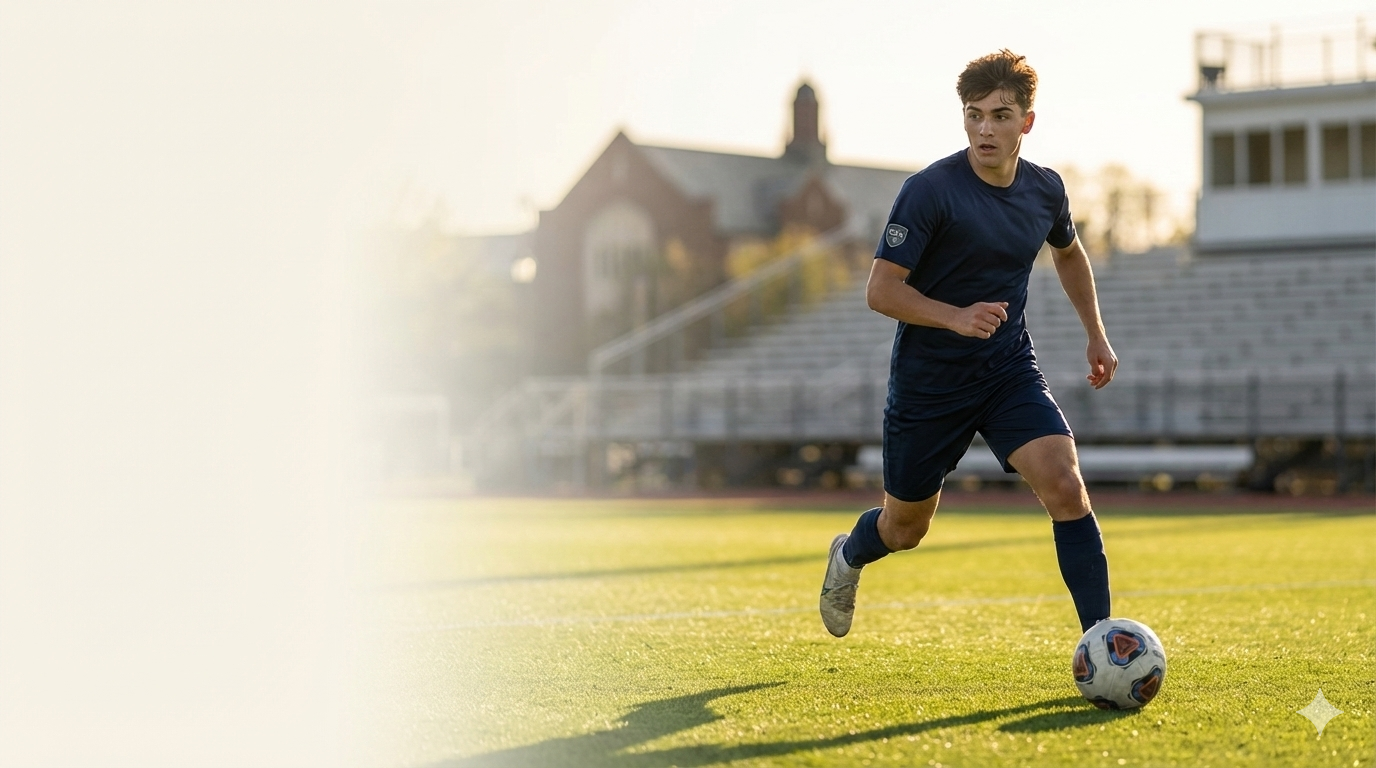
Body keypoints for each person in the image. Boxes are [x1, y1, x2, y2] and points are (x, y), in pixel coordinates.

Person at [819, 49, 1118, 638]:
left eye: (1001, 116)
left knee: (1065, 484)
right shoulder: (928, 191)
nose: (985, 129)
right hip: (930, 383)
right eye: (973, 114)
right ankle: (850, 554)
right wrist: (954, 317)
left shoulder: (1046, 190)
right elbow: (881, 290)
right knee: (905, 529)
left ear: (1027, 122)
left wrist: (1096, 334)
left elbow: (1069, 253)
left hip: (1007, 371)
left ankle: (1104, 642)